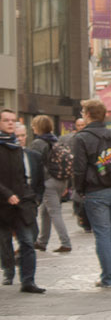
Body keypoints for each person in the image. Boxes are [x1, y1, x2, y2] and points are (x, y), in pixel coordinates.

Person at [55, 99, 111, 288]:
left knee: (101, 233)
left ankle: (107, 276)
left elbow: (79, 168)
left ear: (88, 114)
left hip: (97, 189)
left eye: (83, 112)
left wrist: (79, 190)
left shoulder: (81, 138)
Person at [0, 109, 43, 293]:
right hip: (2, 204)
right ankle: (8, 272)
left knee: (27, 241)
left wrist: (30, 199)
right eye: (6, 120)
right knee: (4, 242)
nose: (10, 123)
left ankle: (28, 281)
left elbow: (23, 176)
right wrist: (7, 193)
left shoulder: (16, 146)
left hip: (22, 203)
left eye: (12, 121)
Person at [30, 115, 69, 253]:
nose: (32, 127)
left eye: (34, 125)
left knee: (54, 212)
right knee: (45, 212)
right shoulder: (54, 140)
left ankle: (66, 242)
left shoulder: (38, 143)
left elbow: (35, 164)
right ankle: (42, 242)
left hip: (48, 181)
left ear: (38, 127)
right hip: (60, 180)